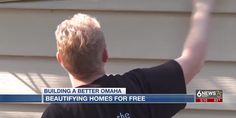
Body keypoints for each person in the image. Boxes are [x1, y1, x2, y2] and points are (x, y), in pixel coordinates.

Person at [42, 0, 215, 117]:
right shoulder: (139, 89)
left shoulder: (57, 113)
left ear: (61, 60)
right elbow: (194, 60)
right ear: (105, 54)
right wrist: (203, 7)